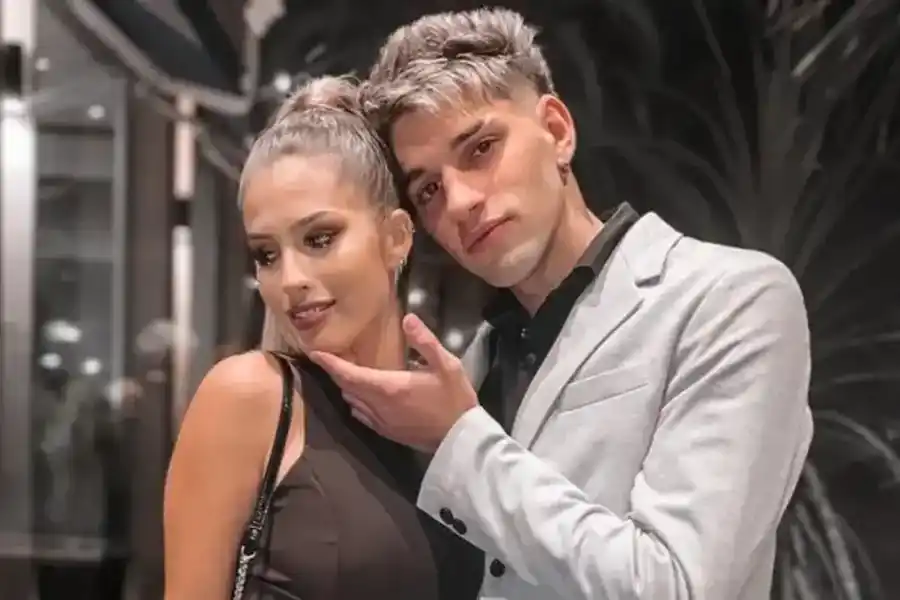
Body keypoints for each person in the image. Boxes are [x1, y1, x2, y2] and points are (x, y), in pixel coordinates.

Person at [307, 8, 814, 600]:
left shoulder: (730, 299)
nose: (460, 201)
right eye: (429, 189)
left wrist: (458, 440)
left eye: (481, 148)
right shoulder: (479, 363)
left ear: (556, 130)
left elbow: (676, 585)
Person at [162, 76, 483, 600]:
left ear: (395, 237)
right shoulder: (250, 397)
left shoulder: (445, 414)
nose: (289, 279)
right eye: (267, 254)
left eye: (319, 238)